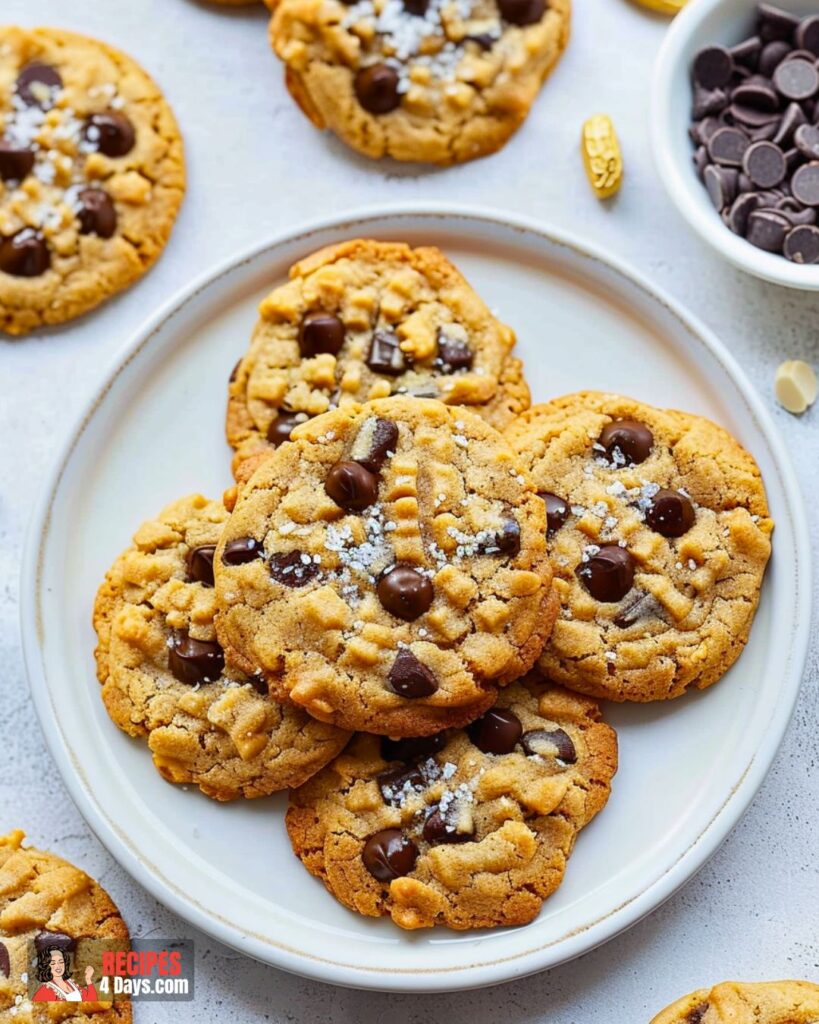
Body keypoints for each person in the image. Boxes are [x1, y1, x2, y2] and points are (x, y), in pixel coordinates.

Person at [32, 945, 98, 1002]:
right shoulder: (46, 990)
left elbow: (92, 1001)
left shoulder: (71, 983)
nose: (58, 966)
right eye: (53, 963)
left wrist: (88, 979)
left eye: (61, 962)